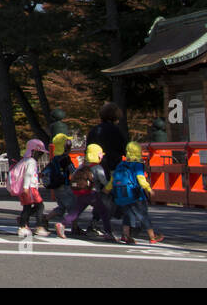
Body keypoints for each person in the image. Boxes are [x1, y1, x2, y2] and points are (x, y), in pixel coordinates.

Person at [107, 142, 164, 245]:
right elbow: (140, 178)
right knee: (143, 215)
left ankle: (125, 235)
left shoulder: (121, 164)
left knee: (127, 215)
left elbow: (113, 179)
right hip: (136, 194)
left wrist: (107, 189)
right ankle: (152, 237)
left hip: (122, 195)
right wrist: (148, 188)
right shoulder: (138, 165)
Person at [85, 102, 125, 238]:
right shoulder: (115, 130)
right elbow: (123, 148)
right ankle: (104, 225)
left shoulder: (94, 130)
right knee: (109, 196)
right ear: (116, 116)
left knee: (102, 196)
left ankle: (94, 223)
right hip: (112, 166)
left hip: (95, 167)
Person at [58, 144, 113, 241]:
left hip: (81, 192)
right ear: (97, 155)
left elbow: (74, 175)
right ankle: (108, 233)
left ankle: (62, 224)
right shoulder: (97, 167)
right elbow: (104, 181)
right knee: (104, 212)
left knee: (76, 211)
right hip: (93, 194)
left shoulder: (82, 166)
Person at [15, 138, 49, 237]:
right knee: (40, 206)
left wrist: (38, 175)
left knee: (28, 207)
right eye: (40, 153)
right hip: (30, 188)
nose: (40, 155)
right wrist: (26, 187)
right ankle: (38, 227)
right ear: (34, 151)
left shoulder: (24, 160)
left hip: (25, 187)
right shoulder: (31, 161)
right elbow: (28, 174)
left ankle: (23, 224)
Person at [43, 133, 76, 237]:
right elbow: (73, 171)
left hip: (56, 187)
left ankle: (45, 219)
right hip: (65, 186)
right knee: (73, 208)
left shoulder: (54, 159)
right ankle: (73, 227)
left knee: (61, 207)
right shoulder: (65, 159)